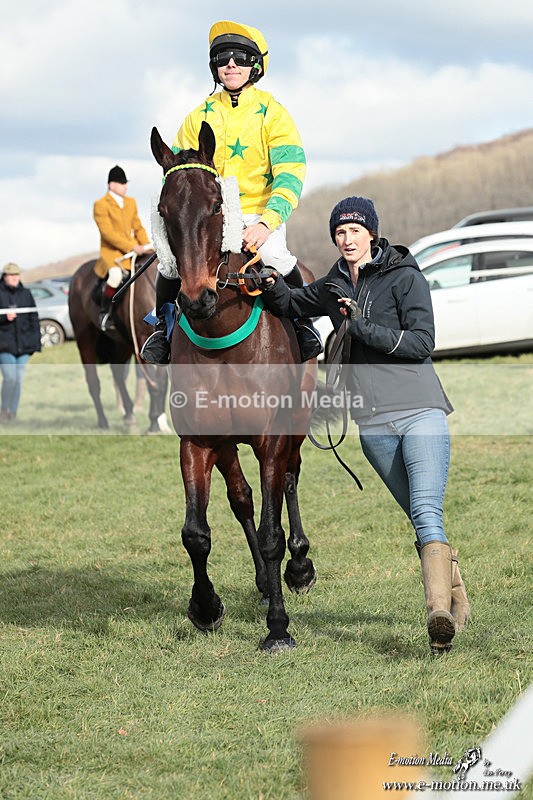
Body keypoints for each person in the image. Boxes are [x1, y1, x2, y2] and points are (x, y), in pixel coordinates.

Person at [257, 196, 471, 654]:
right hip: (373, 424)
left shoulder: (404, 277)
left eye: (354, 231)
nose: (346, 239)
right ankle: (455, 594)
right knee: (418, 515)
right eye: (339, 232)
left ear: (371, 233)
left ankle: (438, 618)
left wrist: (360, 327)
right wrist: (270, 285)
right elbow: (295, 303)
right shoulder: (334, 283)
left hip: (420, 411)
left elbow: (421, 342)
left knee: (427, 511)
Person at [141, 19, 321, 365]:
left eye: (239, 58)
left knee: (276, 257)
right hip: (210, 219)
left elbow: (291, 172)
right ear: (215, 67)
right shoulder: (197, 117)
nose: (231, 65)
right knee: (167, 266)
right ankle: (162, 333)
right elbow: (178, 178)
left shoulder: (273, 113)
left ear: (255, 65)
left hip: (256, 214)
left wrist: (267, 223)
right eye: (223, 59)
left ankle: (302, 326)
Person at [93, 165, 153, 331]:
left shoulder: (131, 202)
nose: (125, 186)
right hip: (112, 254)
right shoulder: (100, 205)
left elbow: (138, 226)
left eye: (125, 183)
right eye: (122, 183)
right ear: (112, 185)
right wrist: (132, 246)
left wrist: (146, 245)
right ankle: (105, 313)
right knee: (115, 276)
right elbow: (108, 234)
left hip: (134, 250)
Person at [0, 262, 41, 423]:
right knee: (10, 377)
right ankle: (3, 409)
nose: (14, 278)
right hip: (5, 345)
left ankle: (13, 413)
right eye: (11, 275)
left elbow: (34, 319)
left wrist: (35, 343)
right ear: (4, 277)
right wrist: (4, 318)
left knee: (18, 379)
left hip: (24, 346)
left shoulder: (26, 294)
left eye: (17, 275)